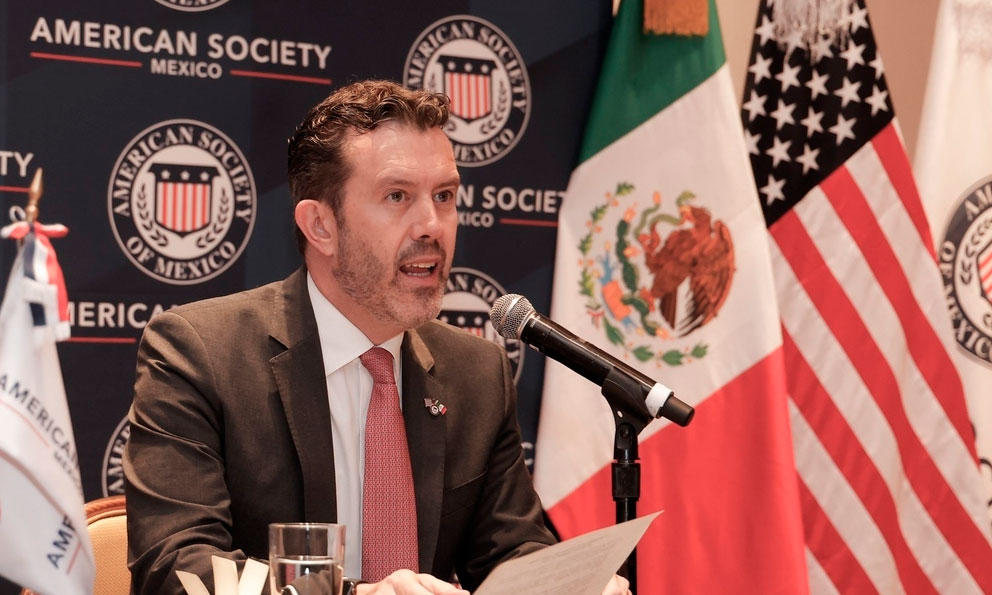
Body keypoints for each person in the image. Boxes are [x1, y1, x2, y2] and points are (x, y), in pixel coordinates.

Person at [124, 79, 631, 595]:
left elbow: (510, 551)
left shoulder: (476, 371)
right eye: (397, 196)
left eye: (444, 196)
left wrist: (570, 584)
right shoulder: (201, 354)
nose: (432, 225)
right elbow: (178, 566)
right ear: (321, 226)